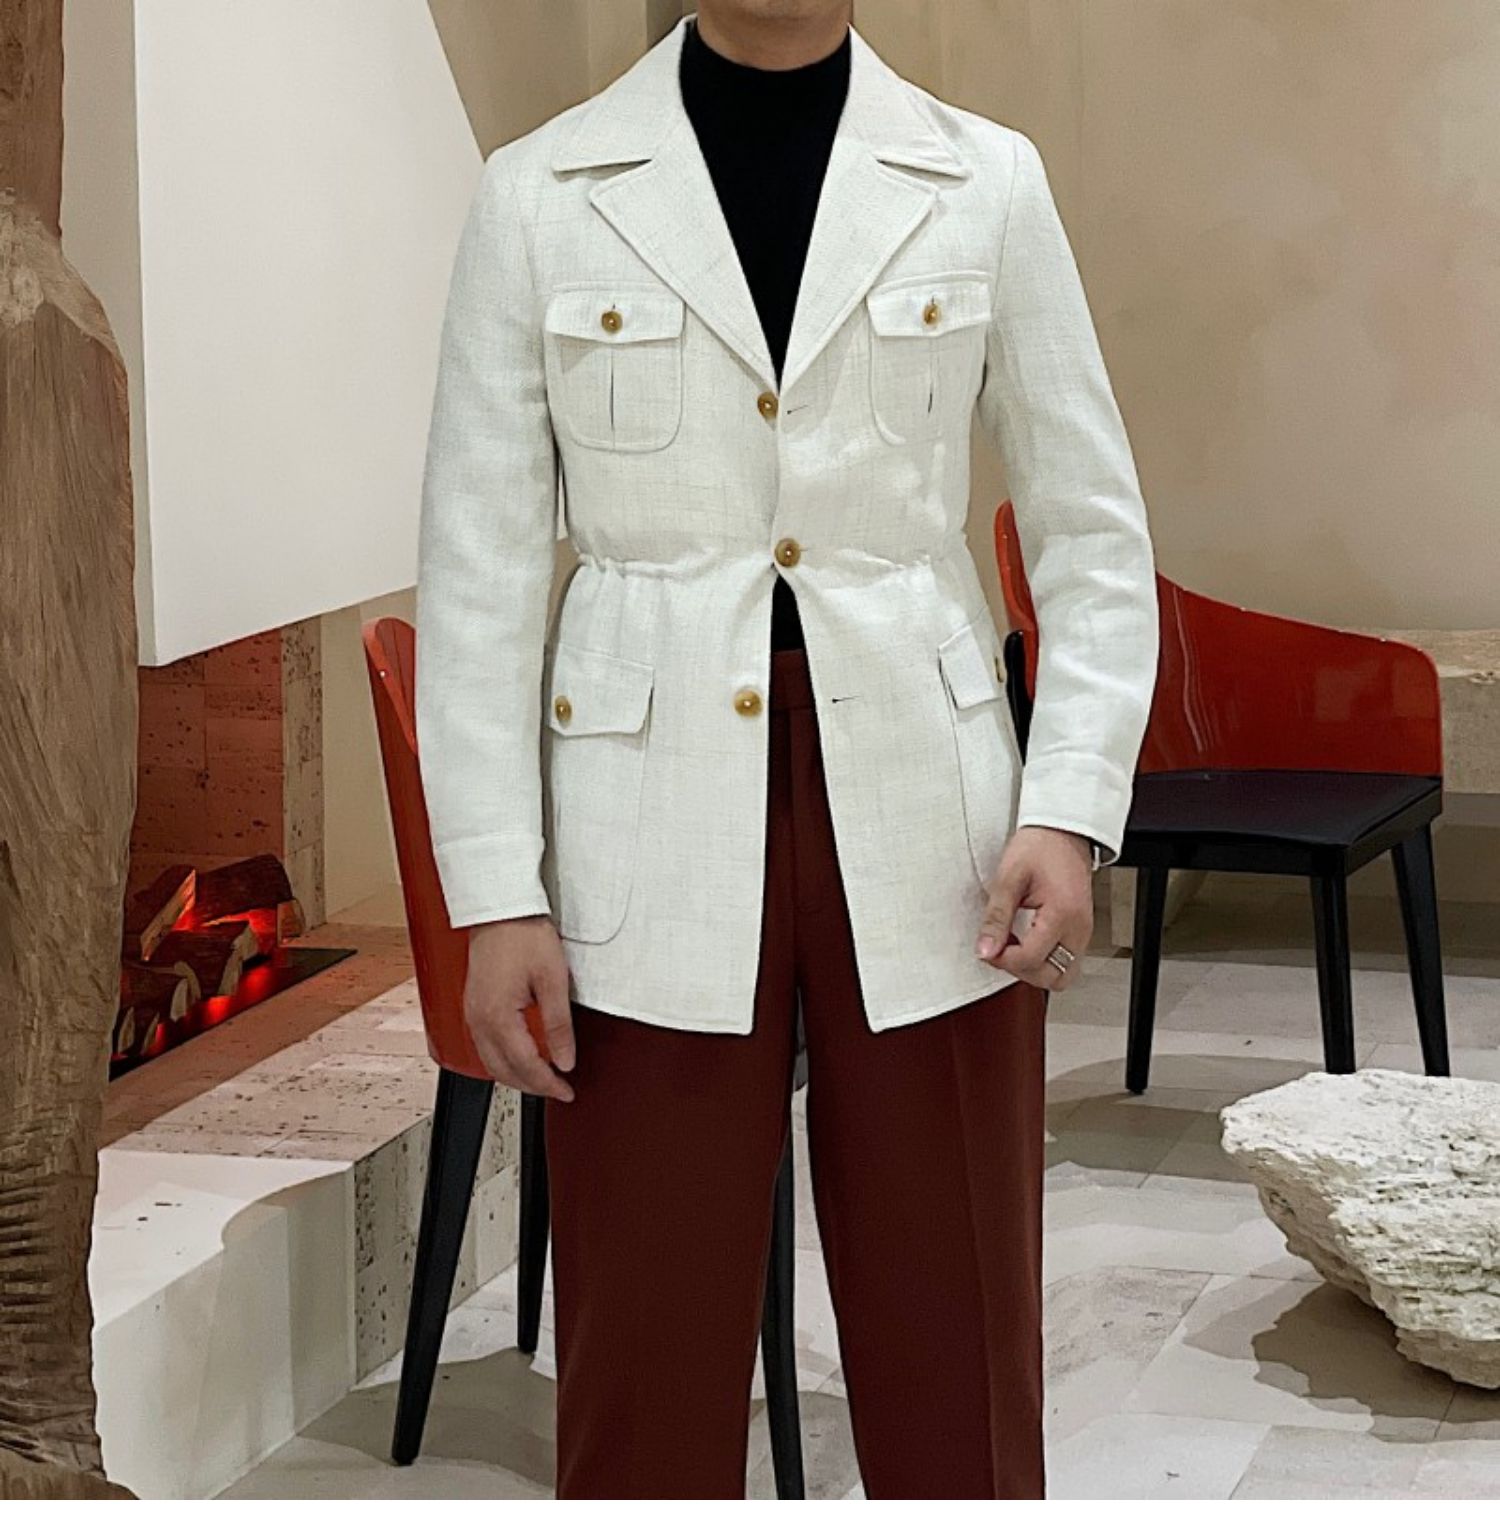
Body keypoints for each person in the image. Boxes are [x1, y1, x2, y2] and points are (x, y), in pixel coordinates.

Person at [414, 2, 1159, 1499]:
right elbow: (477, 575)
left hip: (937, 825)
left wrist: (1071, 805)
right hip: (642, 828)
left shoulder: (985, 180)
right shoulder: (541, 194)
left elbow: (1091, 534)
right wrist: (494, 894)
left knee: (958, 1343)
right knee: (643, 1357)